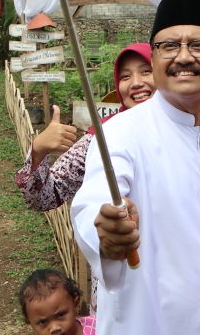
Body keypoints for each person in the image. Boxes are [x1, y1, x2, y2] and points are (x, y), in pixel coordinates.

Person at [70, 0, 200, 334]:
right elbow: (97, 200)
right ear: (155, 58)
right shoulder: (122, 133)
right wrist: (107, 230)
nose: (184, 57)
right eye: (170, 46)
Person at [16, 44, 154, 211]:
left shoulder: (191, 129)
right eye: (125, 76)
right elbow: (46, 197)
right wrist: (38, 151)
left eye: (147, 71)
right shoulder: (101, 139)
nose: (136, 83)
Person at [19, 268, 96, 335]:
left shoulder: (98, 327)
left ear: (75, 303)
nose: (54, 328)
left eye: (61, 315)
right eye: (43, 322)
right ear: (28, 321)